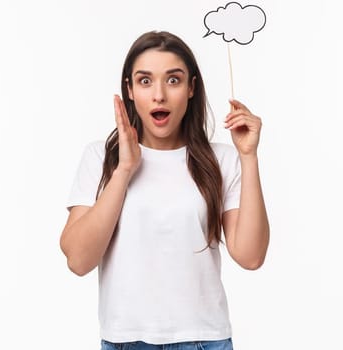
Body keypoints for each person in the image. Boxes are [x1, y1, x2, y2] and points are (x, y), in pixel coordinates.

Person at [60, 31, 270, 350]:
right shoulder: (101, 158)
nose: (159, 95)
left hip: (204, 340)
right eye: (145, 81)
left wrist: (248, 156)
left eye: (173, 80)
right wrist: (125, 169)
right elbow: (78, 260)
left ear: (191, 89)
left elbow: (251, 256)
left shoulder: (221, 161)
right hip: (125, 341)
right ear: (129, 90)